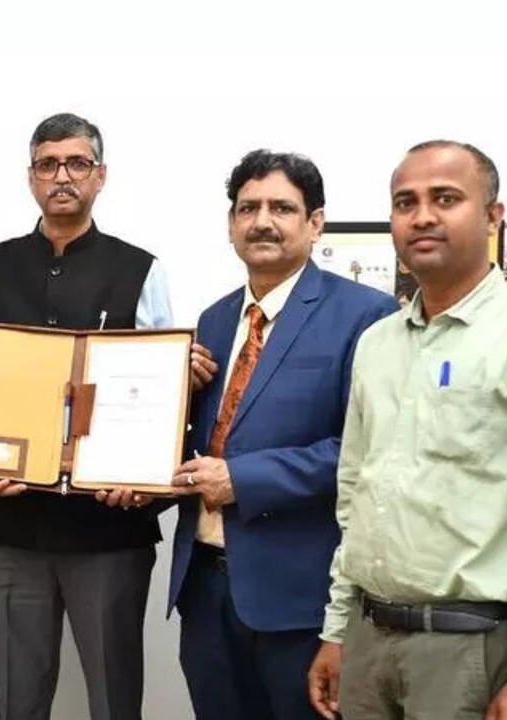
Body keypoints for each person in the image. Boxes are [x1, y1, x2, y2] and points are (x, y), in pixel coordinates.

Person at [308, 140, 507, 720]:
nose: (422, 217)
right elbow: (355, 499)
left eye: (445, 199)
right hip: (369, 640)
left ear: (493, 217)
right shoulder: (377, 344)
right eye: (405, 202)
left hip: (473, 648)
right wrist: (337, 630)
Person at [162, 150, 394, 720]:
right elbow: (209, 438)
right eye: (248, 208)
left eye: (281, 208)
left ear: (315, 223)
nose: (262, 221)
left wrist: (242, 479)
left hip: (300, 599)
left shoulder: (366, 316)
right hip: (205, 589)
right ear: (230, 224)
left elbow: (364, 450)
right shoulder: (215, 319)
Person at [0, 112, 172, 720]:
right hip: (13, 529)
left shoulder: (141, 268)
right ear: (31, 176)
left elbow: (163, 393)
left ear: (100, 176)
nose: (62, 176)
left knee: (114, 701)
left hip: (108, 530)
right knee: (18, 701)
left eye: (77, 163)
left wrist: (144, 477)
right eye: (48, 164)